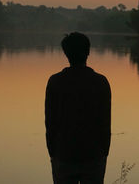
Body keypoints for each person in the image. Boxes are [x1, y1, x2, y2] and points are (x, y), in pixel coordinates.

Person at [45, 32, 111, 184]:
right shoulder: (100, 82)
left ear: (65, 53)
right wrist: (104, 151)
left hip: (64, 153)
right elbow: (105, 121)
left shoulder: (55, 81)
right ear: (88, 51)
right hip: (93, 154)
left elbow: (50, 121)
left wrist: (53, 151)